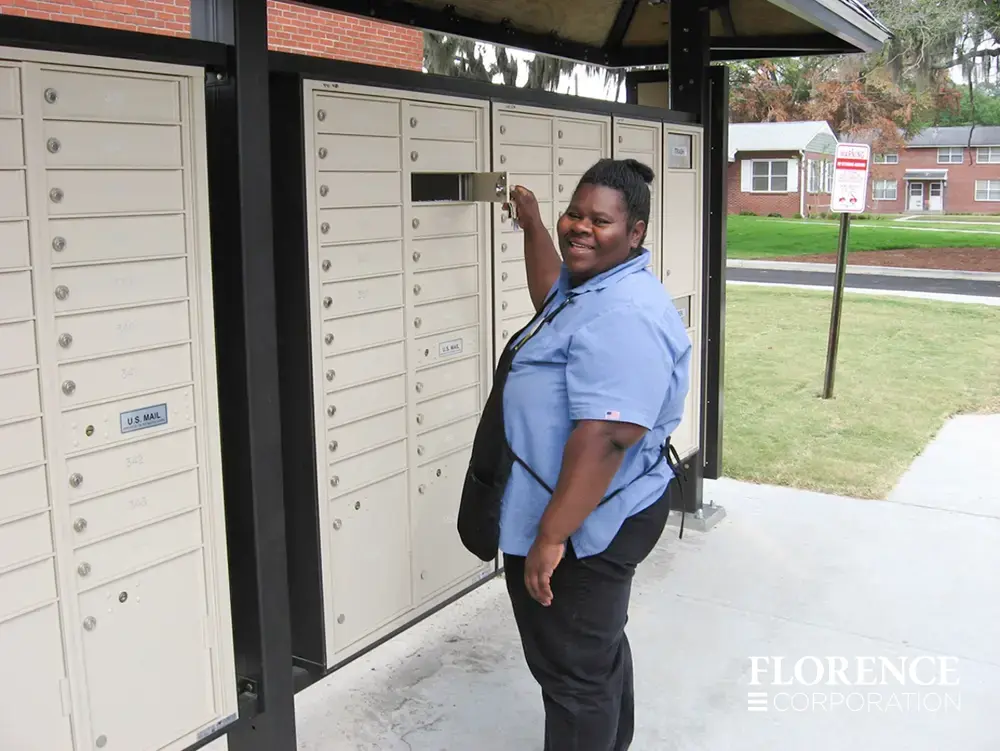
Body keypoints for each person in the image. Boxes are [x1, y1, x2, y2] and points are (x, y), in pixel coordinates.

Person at [499, 158, 692, 751]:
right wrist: (534, 225)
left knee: (574, 678)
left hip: (588, 524)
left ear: (635, 232)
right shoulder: (592, 286)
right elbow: (549, 297)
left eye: (600, 220)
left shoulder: (627, 313)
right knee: (592, 653)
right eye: (573, 214)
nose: (580, 227)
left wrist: (551, 536)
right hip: (586, 508)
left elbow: (608, 435)